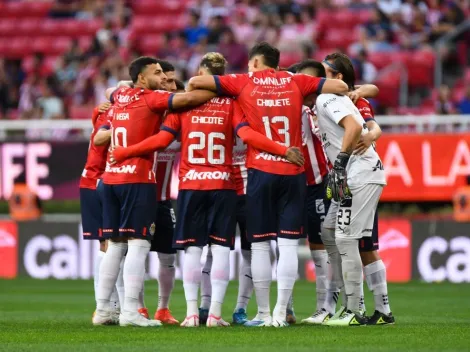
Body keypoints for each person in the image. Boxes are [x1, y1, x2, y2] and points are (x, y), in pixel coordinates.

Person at [110, 52, 305, 327]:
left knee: (192, 250)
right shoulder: (231, 103)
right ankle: (214, 314)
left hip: (191, 185)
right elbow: (247, 134)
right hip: (225, 184)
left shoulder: (183, 107)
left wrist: (126, 151)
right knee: (222, 249)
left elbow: (162, 139)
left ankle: (191, 313)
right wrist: (283, 150)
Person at [188, 42, 349, 327]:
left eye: (251, 64)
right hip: (293, 172)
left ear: (256, 62)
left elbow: (195, 81)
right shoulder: (296, 80)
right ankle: (280, 313)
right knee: (288, 245)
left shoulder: (243, 80)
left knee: (260, 245)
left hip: (260, 171)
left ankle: (262, 314)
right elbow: (340, 88)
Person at [93, 56, 218, 328]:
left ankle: (103, 310)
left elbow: (110, 94)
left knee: (115, 246)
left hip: (111, 179)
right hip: (137, 181)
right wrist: (218, 86)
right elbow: (186, 100)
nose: (163, 77)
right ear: (141, 77)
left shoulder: (121, 96)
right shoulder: (152, 99)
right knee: (138, 245)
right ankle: (129, 312)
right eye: (157, 72)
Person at [311, 57, 390, 326]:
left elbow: (364, 121)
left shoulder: (330, 98)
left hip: (357, 173)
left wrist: (342, 160)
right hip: (351, 175)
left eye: (325, 74)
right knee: (331, 231)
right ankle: (375, 311)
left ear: (338, 78)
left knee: (350, 241)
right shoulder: (337, 98)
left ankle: (355, 311)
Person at [79, 101, 121, 320]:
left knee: (108, 244)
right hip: (98, 181)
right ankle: (106, 306)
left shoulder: (103, 112)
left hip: (93, 180)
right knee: (110, 244)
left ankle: (107, 306)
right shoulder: (113, 114)